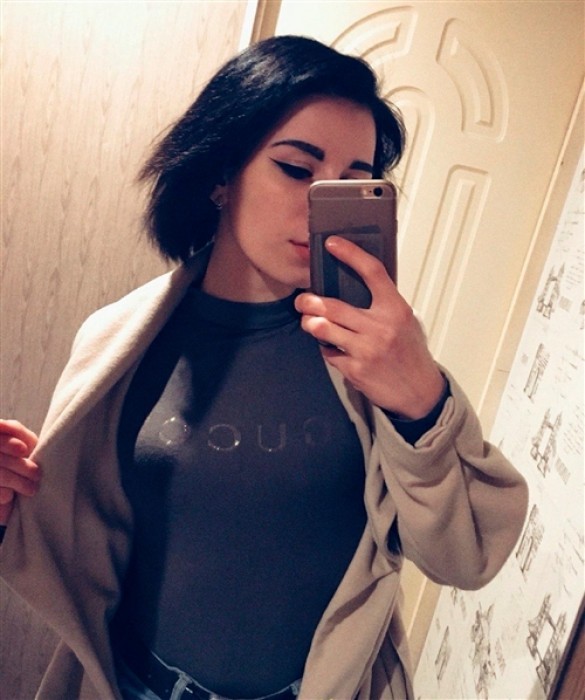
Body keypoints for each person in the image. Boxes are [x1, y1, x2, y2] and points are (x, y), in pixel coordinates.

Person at [0, 35, 528, 700]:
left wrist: (422, 398)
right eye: (296, 169)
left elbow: (467, 557)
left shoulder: (372, 354)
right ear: (221, 175)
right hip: (134, 685)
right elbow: (68, 543)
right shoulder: (118, 342)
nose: (319, 203)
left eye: (349, 182)